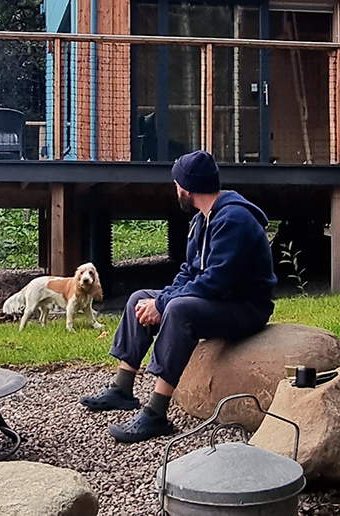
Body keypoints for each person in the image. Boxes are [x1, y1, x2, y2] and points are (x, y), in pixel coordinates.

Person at [79, 150, 276, 443]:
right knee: (138, 299)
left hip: (245, 307)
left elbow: (216, 282)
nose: (175, 190)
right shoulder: (202, 219)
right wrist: (158, 301)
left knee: (179, 310)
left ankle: (156, 413)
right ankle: (122, 389)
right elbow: (189, 271)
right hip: (219, 298)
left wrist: (164, 304)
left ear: (186, 187)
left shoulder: (234, 219)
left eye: (176, 185)